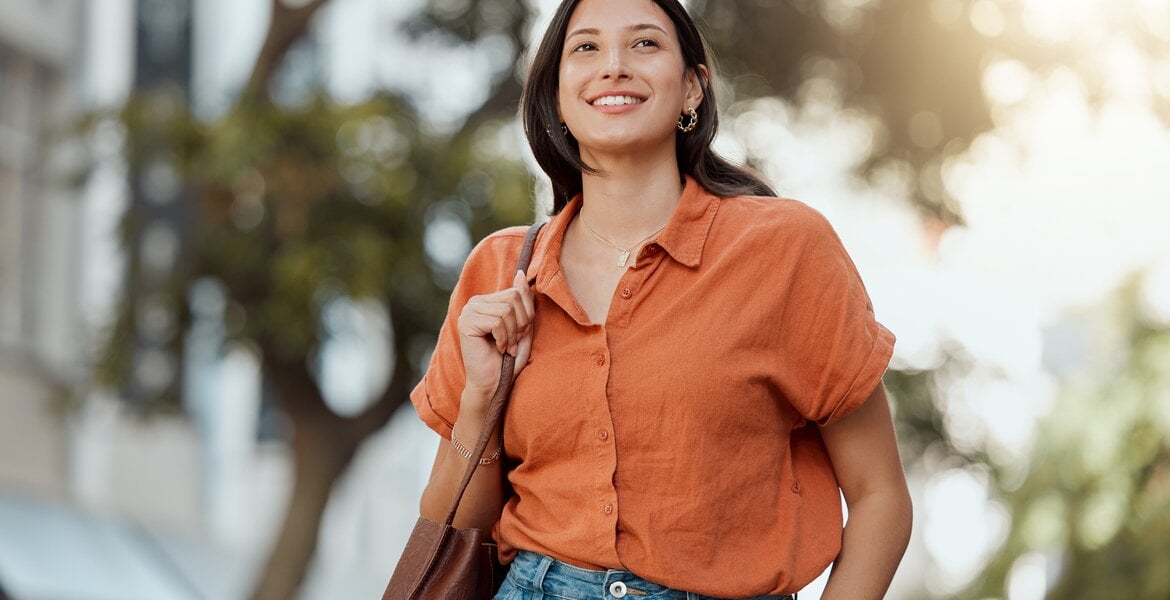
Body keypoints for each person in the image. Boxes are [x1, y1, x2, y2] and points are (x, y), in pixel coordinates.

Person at [412, 0, 913, 598]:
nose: (614, 66)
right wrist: (481, 398)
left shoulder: (785, 249)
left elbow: (881, 497)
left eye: (645, 44)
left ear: (693, 90)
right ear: (556, 95)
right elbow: (453, 532)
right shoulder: (497, 270)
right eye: (586, 48)